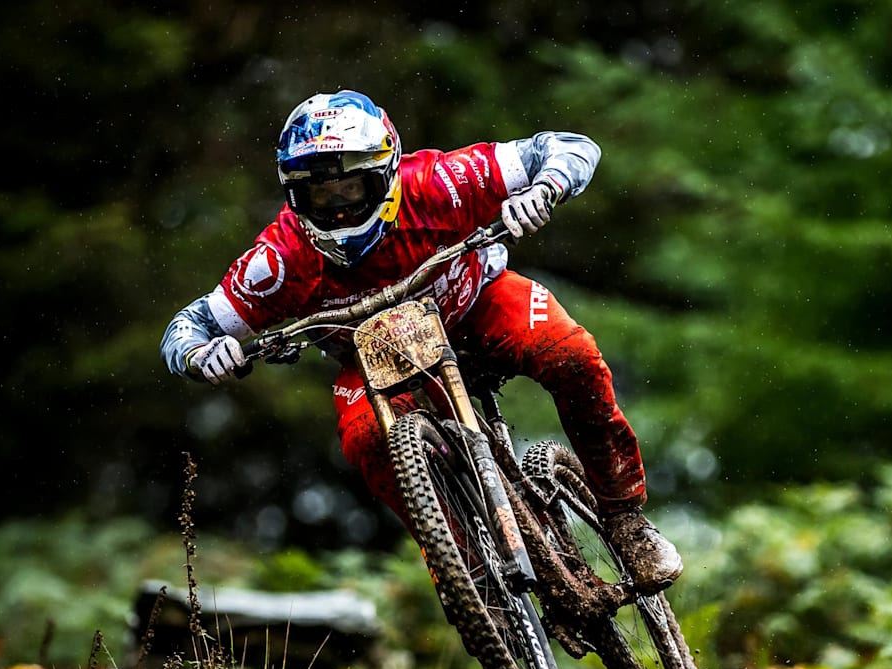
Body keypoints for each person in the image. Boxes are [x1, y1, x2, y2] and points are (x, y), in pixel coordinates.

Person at [160, 89, 682, 590]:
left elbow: (571, 146)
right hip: (374, 356)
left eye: (350, 188)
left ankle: (625, 518)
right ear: (295, 195)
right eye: (319, 193)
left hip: (479, 305)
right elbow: (187, 326)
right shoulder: (280, 259)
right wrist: (204, 353)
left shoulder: (439, 183)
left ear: (385, 175)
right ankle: (465, 572)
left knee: (569, 353)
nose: (337, 207)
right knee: (367, 441)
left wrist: (544, 189)